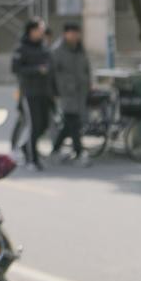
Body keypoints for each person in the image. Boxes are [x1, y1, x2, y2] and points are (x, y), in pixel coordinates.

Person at [11, 18, 55, 171]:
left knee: (44, 124)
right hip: (29, 93)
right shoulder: (21, 48)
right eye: (39, 30)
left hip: (45, 92)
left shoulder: (44, 47)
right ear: (31, 31)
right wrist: (36, 70)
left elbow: (51, 68)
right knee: (33, 125)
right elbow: (16, 69)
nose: (42, 32)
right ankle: (32, 159)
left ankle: (25, 147)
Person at [49, 23, 92, 164]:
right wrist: (53, 91)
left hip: (81, 91)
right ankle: (79, 152)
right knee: (73, 121)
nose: (74, 36)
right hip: (66, 91)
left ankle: (55, 150)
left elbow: (87, 68)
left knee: (70, 123)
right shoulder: (57, 50)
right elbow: (51, 73)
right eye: (71, 33)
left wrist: (89, 83)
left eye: (76, 33)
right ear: (65, 34)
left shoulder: (80, 48)